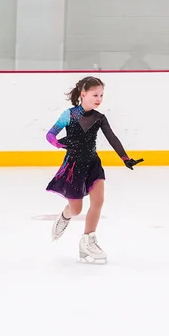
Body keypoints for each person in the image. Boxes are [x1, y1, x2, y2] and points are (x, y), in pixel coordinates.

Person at [45, 76, 143, 263]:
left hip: (93, 164)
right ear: (83, 94)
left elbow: (112, 138)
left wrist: (125, 158)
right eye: (95, 94)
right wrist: (60, 144)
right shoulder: (69, 115)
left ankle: (88, 241)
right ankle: (65, 216)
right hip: (74, 166)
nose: (99, 99)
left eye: (101, 95)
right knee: (76, 209)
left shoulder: (100, 118)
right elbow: (50, 134)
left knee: (98, 202)